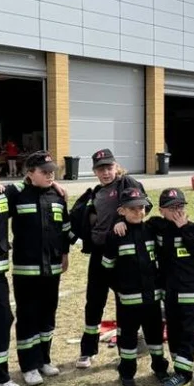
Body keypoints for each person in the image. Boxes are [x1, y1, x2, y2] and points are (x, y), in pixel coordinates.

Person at [73, 149, 145, 369]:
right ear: (95, 171)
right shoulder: (95, 192)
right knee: (94, 301)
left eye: (109, 167)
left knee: (125, 301)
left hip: (122, 254)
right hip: (98, 252)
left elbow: (144, 207)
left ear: (116, 166)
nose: (105, 172)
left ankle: (128, 348)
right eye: (100, 169)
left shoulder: (127, 183)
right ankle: (87, 351)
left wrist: (126, 219)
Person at [7, 151, 70, 386]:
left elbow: (64, 228)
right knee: (27, 316)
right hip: (26, 269)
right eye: (44, 171)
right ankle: (29, 365)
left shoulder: (57, 195)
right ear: (30, 173)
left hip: (52, 268)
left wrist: (64, 254)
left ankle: (44, 358)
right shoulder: (16, 194)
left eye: (52, 170)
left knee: (48, 314)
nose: (50, 174)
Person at [101, 187, 169, 386]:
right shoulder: (116, 235)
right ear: (122, 211)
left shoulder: (152, 229)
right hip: (128, 301)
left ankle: (160, 369)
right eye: (132, 209)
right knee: (128, 338)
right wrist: (121, 289)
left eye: (141, 207)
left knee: (155, 336)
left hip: (152, 298)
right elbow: (107, 268)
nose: (138, 212)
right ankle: (127, 372)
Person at [148, 189, 194, 386]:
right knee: (173, 328)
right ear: (161, 210)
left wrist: (183, 228)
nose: (177, 211)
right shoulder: (157, 226)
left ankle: (184, 374)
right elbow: (137, 221)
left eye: (180, 206)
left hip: (188, 289)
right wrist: (119, 220)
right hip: (167, 290)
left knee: (187, 330)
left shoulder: (191, 227)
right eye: (171, 208)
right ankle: (177, 365)